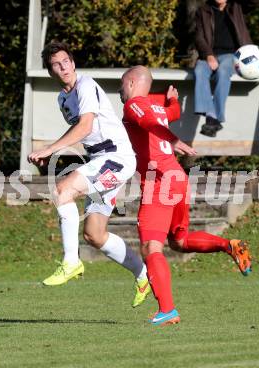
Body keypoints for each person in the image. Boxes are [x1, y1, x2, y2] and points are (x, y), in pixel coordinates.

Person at [120, 65, 252, 326]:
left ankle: (167, 310)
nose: (119, 91)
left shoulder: (134, 104)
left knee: (151, 247)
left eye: (122, 85)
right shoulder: (157, 106)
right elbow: (172, 112)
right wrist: (172, 100)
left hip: (160, 182)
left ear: (133, 83)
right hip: (178, 178)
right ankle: (231, 245)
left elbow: (146, 122)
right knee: (178, 242)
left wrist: (174, 139)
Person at [28, 42, 151, 308]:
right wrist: (53, 149)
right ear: (51, 72)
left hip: (116, 158)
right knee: (94, 234)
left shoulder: (86, 85)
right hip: (103, 161)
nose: (63, 68)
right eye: (56, 65)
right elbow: (83, 131)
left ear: (73, 63)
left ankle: (71, 261)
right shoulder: (63, 99)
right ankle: (143, 274)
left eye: (66, 62)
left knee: (63, 190)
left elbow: (85, 127)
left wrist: (51, 148)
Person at [194, 0, 258, 137]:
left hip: (233, 55)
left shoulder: (237, 6)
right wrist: (208, 55)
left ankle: (212, 118)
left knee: (223, 71)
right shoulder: (202, 11)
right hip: (210, 54)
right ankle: (212, 118)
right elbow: (199, 37)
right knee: (199, 70)